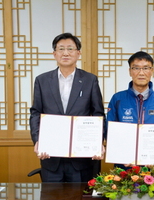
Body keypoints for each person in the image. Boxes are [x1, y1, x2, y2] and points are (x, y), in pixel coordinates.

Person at [30, 32, 105, 182]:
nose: (65, 53)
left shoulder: (90, 80)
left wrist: (98, 143)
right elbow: (36, 113)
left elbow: (98, 114)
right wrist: (38, 140)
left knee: (80, 196)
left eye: (70, 49)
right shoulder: (42, 80)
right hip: (50, 156)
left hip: (81, 158)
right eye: (61, 49)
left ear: (78, 53)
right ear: (54, 54)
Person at [107, 51, 154, 169]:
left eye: (146, 68)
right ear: (130, 71)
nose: (141, 73)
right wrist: (120, 155)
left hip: (153, 164)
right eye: (136, 68)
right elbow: (110, 129)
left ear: (152, 71)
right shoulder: (118, 98)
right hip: (124, 163)